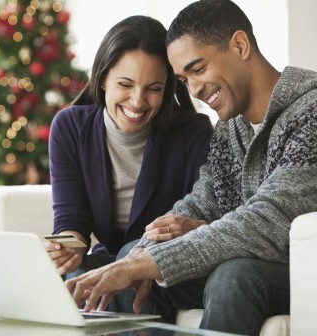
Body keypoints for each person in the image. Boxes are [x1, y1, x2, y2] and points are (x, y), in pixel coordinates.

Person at [64, 1, 317, 335]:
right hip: (251, 262)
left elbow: (270, 219)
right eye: (183, 79)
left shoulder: (310, 112)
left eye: (198, 69)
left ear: (239, 45)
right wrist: (144, 250)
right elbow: (203, 200)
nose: (194, 90)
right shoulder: (232, 127)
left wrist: (153, 261)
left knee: (234, 277)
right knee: (131, 254)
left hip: (297, 269)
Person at [45, 15, 213, 280]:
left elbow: (210, 218)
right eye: (125, 84)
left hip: (168, 269)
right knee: (71, 272)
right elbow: (72, 221)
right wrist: (68, 248)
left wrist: (194, 228)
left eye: (154, 88)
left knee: (126, 254)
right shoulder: (70, 127)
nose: (137, 101)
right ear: (102, 79)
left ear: (168, 89)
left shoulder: (194, 134)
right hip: (111, 261)